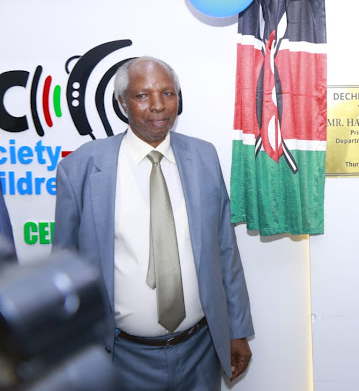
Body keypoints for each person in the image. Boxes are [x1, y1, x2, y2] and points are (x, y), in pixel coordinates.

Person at [53, 57, 254, 390]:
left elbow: (225, 249)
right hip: (120, 357)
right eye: (142, 96)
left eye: (168, 93)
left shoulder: (204, 157)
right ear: (122, 103)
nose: (158, 106)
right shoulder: (81, 168)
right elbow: (64, 269)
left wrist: (237, 329)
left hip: (200, 351)